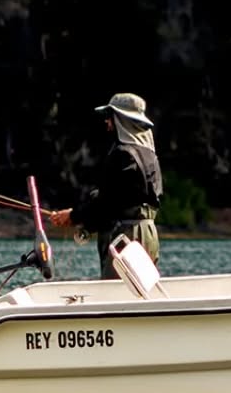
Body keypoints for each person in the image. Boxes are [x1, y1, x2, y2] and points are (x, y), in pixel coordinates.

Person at [48, 92, 164, 277]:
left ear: (121, 120)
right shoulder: (150, 155)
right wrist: (84, 221)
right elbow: (122, 200)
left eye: (110, 117)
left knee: (118, 293)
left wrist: (73, 215)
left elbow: (109, 203)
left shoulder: (123, 154)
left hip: (126, 236)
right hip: (149, 233)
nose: (107, 123)